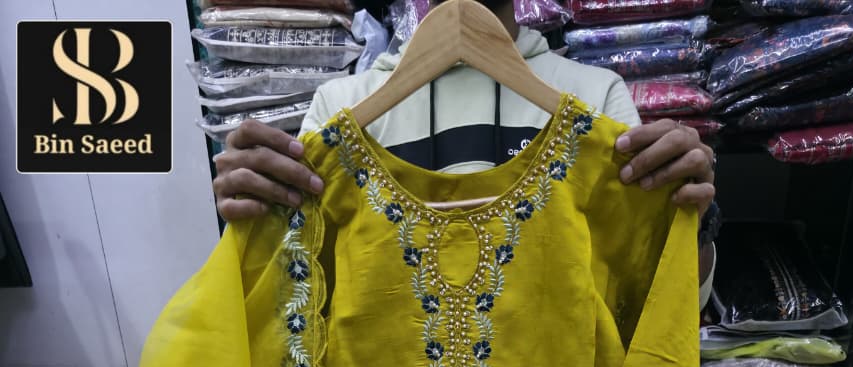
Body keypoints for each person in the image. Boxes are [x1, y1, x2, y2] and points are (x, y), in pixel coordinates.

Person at [211, 0, 719, 305]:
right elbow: (297, 303)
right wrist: (256, 231)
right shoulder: (341, 110)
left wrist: (687, 221)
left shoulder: (597, 100)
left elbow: (655, 302)